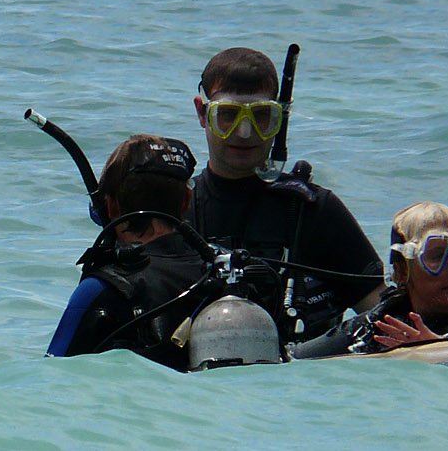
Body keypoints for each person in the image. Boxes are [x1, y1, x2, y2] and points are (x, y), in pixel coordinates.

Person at [185, 47, 386, 342]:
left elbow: (382, 314)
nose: (244, 132)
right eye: (227, 115)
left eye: (262, 116)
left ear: (281, 118)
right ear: (202, 114)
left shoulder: (314, 210)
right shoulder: (177, 210)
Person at [291, 202, 448, 358]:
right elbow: (293, 360)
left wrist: (439, 349)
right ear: (402, 273)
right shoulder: (380, 326)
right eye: (437, 256)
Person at [46, 134, 213, 371]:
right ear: (186, 201)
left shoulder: (102, 289)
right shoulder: (222, 271)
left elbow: (52, 376)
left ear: (111, 207)